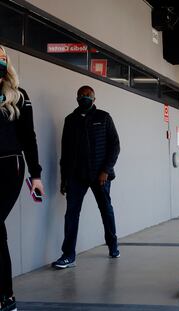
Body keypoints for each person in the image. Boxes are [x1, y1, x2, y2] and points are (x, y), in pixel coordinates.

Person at [52, 85, 120, 269]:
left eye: (88, 95)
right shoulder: (70, 120)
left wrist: (106, 170)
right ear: (76, 98)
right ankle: (68, 255)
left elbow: (115, 146)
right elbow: (65, 153)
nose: (85, 97)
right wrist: (64, 178)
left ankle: (113, 245)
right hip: (76, 176)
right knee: (71, 214)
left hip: (101, 176)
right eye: (82, 95)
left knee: (106, 210)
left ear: (94, 98)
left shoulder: (104, 117)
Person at [0, 46, 45, 311]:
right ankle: (7, 295)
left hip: (9, 167)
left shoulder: (18, 96)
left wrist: (36, 174)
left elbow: (29, 136)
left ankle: (6, 297)